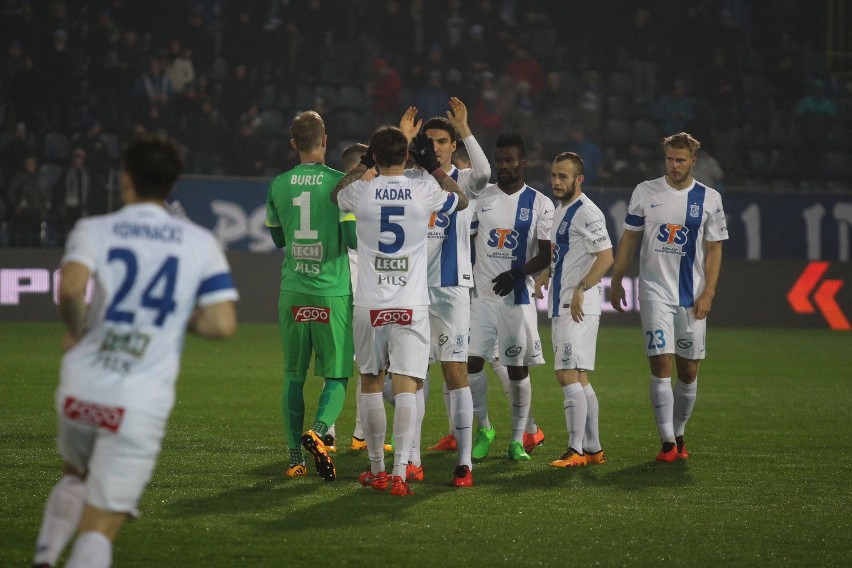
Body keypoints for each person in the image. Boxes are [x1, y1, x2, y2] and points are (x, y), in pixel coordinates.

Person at [32, 133, 238, 568]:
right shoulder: (199, 242)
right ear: (173, 183)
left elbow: (69, 288)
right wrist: (179, 316)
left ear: (125, 178)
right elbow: (222, 324)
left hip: (81, 387)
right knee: (101, 525)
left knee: (74, 476)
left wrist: (77, 329)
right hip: (138, 400)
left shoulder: (94, 229)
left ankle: (46, 556)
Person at [332, 122, 468, 496]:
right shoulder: (424, 189)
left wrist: (364, 165)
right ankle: (399, 474)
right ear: (408, 156)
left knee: (372, 383)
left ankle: (376, 469)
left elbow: (335, 195)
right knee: (409, 386)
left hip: (371, 303)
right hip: (411, 303)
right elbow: (462, 199)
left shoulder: (360, 191)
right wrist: (434, 167)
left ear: (373, 155)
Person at [610, 132, 727, 461]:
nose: (674, 165)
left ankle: (679, 432)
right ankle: (666, 443)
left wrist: (709, 292)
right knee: (660, 363)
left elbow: (715, 248)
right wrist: (618, 278)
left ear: (693, 162)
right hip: (654, 291)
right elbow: (630, 239)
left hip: (691, 297)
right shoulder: (645, 192)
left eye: (680, 160)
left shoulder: (709, 198)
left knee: (688, 371)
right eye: (669, 159)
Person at [396, 97, 489, 487]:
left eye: (442, 141)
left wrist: (466, 128)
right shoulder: (412, 180)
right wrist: (402, 141)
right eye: (429, 141)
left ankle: (464, 464)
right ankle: (412, 459)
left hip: (452, 288)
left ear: (453, 147)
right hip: (414, 290)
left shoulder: (465, 181)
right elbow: (383, 177)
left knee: (455, 372)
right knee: (412, 375)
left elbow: (485, 172)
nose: (434, 146)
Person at [265, 110, 355, 481]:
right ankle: (317, 431)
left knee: (293, 375)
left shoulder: (278, 185)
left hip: (294, 292)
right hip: (331, 293)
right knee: (336, 375)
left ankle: (293, 459)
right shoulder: (340, 185)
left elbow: (278, 239)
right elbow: (351, 241)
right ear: (325, 140)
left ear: (293, 145)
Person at [467, 132, 554, 461]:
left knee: (517, 370)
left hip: (517, 298)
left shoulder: (539, 203)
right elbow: (469, 240)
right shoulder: (481, 197)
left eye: (509, 160)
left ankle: (518, 439)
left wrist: (518, 273)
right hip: (481, 297)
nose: (503, 166)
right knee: (471, 363)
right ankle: (485, 427)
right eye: (499, 160)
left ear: (523, 162)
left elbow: (546, 254)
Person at [534, 152, 613, 467]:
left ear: (579, 179)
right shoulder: (560, 209)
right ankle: (592, 448)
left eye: (563, 176)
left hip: (577, 305)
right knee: (578, 376)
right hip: (563, 301)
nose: (556, 181)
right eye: (554, 175)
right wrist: (546, 273)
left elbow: (605, 256)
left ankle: (575, 450)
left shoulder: (587, 212)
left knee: (566, 373)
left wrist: (582, 288)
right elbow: (563, 253)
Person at [338, 142, 392, 455]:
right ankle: (353, 434)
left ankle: (336, 433)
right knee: (365, 366)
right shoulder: (355, 197)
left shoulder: (350, 196)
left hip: (344, 287)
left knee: (348, 365)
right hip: (357, 289)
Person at [52, 148, 91, 245]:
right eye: (76, 157)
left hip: (81, 206)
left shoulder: (86, 174)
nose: (78, 160)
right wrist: (61, 205)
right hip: (68, 206)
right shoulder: (66, 173)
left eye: (80, 158)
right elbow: (60, 190)